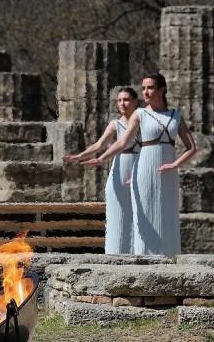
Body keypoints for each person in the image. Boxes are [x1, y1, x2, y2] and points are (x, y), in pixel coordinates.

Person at [82, 74, 197, 256]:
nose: (145, 92)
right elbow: (122, 143)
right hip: (144, 170)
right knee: (144, 220)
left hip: (167, 174)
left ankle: (170, 260)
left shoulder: (176, 115)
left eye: (150, 88)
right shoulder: (140, 114)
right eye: (143, 88)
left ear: (161, 90)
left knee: (167, 216)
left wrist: (175, 164)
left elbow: (191, 148)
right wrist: (102, 158)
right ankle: (143, 261)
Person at [63, 87, 140, 254]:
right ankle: (116, 251)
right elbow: (99, 145)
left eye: (126, 100)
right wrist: (80, 156)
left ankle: (138, 252)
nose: (122, 104)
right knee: (118, 211)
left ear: (135, 101)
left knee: (139, 211)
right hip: (120, 168)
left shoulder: (142, 121)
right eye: (119, 100)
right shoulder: (116, 124)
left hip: (138, 166)